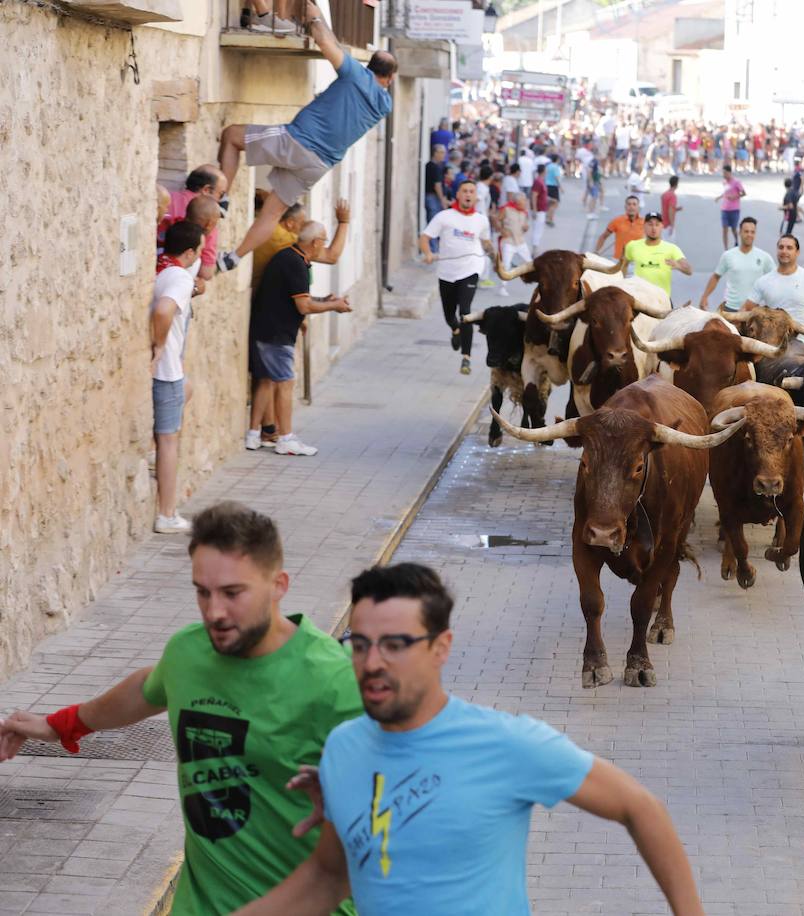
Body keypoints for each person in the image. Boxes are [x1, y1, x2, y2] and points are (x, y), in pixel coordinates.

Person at [232, 563, 706, 915]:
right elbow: (329, 874)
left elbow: (640, 808)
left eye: (395, 645)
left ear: (442, 647)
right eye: (359, 643)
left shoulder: (504, 744)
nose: (371, 661)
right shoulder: (342, 748)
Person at [0, 503, 365, 914]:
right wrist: (63, 724)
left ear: (278, 585)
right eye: (202, 592)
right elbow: (148, 688)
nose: (214, 613)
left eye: (232, 593)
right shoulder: (189, 651)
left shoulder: (335, 684)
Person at [216, 2, 394, 271]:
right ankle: (234, 257)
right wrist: (320, 15)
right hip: (318, 165)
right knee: (273, 212)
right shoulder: (384, 105)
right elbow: (333, 41)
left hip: (296, 142)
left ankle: (220, 198)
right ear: (389, 80)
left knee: (232, 136)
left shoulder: (356, 75)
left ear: (369, 67)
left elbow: (324, 41)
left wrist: (313, 18)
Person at [246, 223, 353, 456]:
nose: (323, 245)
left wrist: (323, 299)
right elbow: (303, 305)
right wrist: (333, 305)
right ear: (315, 242)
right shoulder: (296, 264)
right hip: (276, 334)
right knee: (285, 383)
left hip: (264, 330)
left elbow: (296, 296)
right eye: (323, 240)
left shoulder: (289, 257)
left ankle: (254, 435)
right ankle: (286, 439)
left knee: (265, 380)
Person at [149, 221, 204, 534]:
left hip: (173, 374)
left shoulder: (160, 266)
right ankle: (167, 514)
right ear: (189, 252)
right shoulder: (180, 277)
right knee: (169, 441)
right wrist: (159, 346)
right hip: (166, 370)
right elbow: (163, 311)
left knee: (189, 387)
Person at [420, 179, 497, 377]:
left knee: (465, 312)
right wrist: (428, 253)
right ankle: (455, 330)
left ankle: (466, 358)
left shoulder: (481, 220)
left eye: (471, 191)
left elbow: (486, 241)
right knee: (449, 315)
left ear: (475, 197)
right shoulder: (444, 217)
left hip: (470, 269)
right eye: (465, 191)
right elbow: (425, 237)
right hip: (446, 271)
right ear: (458, 194)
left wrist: (494, 256)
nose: (468, 194)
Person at [161, 166, 227, 284]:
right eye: (221, 194)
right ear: (206, 190)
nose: (220, 201)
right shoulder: (207, 218)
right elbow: (206, 272)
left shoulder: (166, 200)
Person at [699, 217, 775, 314]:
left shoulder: (764, 257)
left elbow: (775, 278)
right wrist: (705, 296)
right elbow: (716, 277)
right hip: (730, 309)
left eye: (752, 232)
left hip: (754, 311)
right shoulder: (728, 255)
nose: (749, 235)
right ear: (740, 232)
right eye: (746, 231)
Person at [617, 212, 691, 297]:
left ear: (662, 227)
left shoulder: (672, 248)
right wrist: (622, 285)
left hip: (662, 300)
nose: (653, 228)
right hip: (639, 298)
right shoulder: (632, 245)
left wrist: (678, 266)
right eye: (650, 224)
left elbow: (689, 271)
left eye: (657, 224)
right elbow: (624, 266)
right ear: (644, 226)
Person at [497, 191, 533, 297]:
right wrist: (501, 229)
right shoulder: (506, 209)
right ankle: (502, 288)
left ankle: (539, 283)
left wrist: (526, 228)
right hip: (509, 242)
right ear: (517, 202)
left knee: (530, 263)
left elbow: (524, 226)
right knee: (506, 265)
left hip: (520, 242)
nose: (525, 203)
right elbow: (497, 219)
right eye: (523, 201)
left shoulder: (524, 212)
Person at [594, 195, 645, 261]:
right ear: (625, 207)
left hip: (637, 261)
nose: (631, 207)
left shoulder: (645, 222)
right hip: (619, 261)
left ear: (638, 207)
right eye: (629, 204)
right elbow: (603, 237)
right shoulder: (617, 221)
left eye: (634, 204)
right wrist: (596, 251)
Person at [423, 145, 449, 253]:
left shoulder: (435, 166)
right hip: (432, 197)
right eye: (441, 152)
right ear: (435, 153)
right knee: (434, 223)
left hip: (432, 197)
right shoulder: (433, 167)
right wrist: (442, 199)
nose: (443, 155)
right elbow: (437, 185)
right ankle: (433, 249)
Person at [716, 165, 747, 249]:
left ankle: (736, 240)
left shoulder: (737, 182)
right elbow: (725, 193)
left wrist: (734, 197)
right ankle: (726, 249)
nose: (724, 175)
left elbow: (744, 193)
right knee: (724, 229)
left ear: (729, 173)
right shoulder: (724, 182)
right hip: (724, 209)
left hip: (734, 209)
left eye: (725, 173)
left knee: (733, 229)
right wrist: (719, 197)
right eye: (723, 173)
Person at [530, 164, 550, 250]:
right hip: (538, 209)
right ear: (543, 171)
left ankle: (535, 247)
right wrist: (534, 210)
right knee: (537, 230)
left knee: (539, 229)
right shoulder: (538, 181)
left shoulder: (541, 181)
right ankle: (534, 249)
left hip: (542, 209)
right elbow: (534, 196)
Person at [660, 173, 682, 240]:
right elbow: (670, 210)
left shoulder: (664, 194)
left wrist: (676, 209)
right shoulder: (673, 196)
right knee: (670, 247)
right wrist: (672, 225)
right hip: (668, 224)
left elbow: (665, 208)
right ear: (676, 184)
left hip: (663, 222)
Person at [544, 153, 563, 228]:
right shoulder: (556, 167)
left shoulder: (548, 166)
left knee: (549, 203)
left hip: (547, 185)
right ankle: (550, 219)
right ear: (557, 160)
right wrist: (560, 187)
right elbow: (557, 177)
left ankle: (548, 217)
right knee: (555, 203)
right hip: (553, 186)